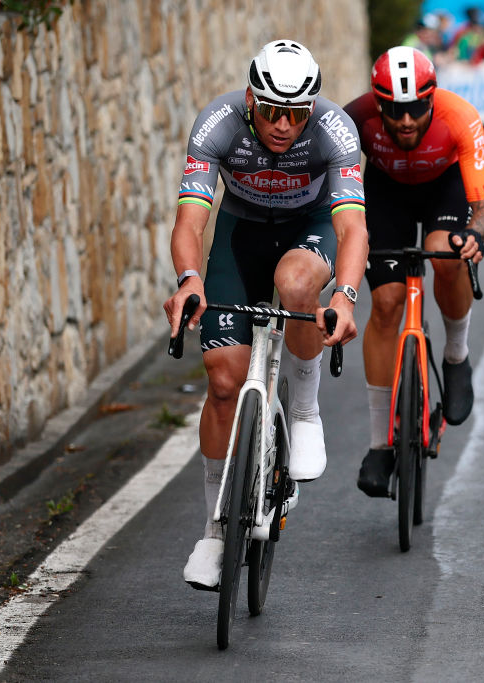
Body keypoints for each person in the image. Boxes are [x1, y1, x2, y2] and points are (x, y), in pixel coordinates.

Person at [164, 40, 369, 590]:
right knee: (223, 382)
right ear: (252, 99)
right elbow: (190, 221)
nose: (283, 125)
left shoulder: (334, 130)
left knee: (297, 284)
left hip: (310, 230)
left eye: (296, 115)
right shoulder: (218, 123)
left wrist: (345, 297)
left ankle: (304, 411)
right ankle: (214, 531)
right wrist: (189, 280)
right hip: (242, 236)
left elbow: (352, 227)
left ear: (312, 108)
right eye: (273, 111)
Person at [344, 47, 484, 497]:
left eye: (416, 108)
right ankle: (380, 445)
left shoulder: (460, 116)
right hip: (385, 194)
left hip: (443, 191)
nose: (407, 121)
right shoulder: (355, 117)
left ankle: (456, 354)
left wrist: (474, 234)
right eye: (395, 111)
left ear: (432, 98)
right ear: (378, 104)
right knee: (386, 303)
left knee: (445, 255)